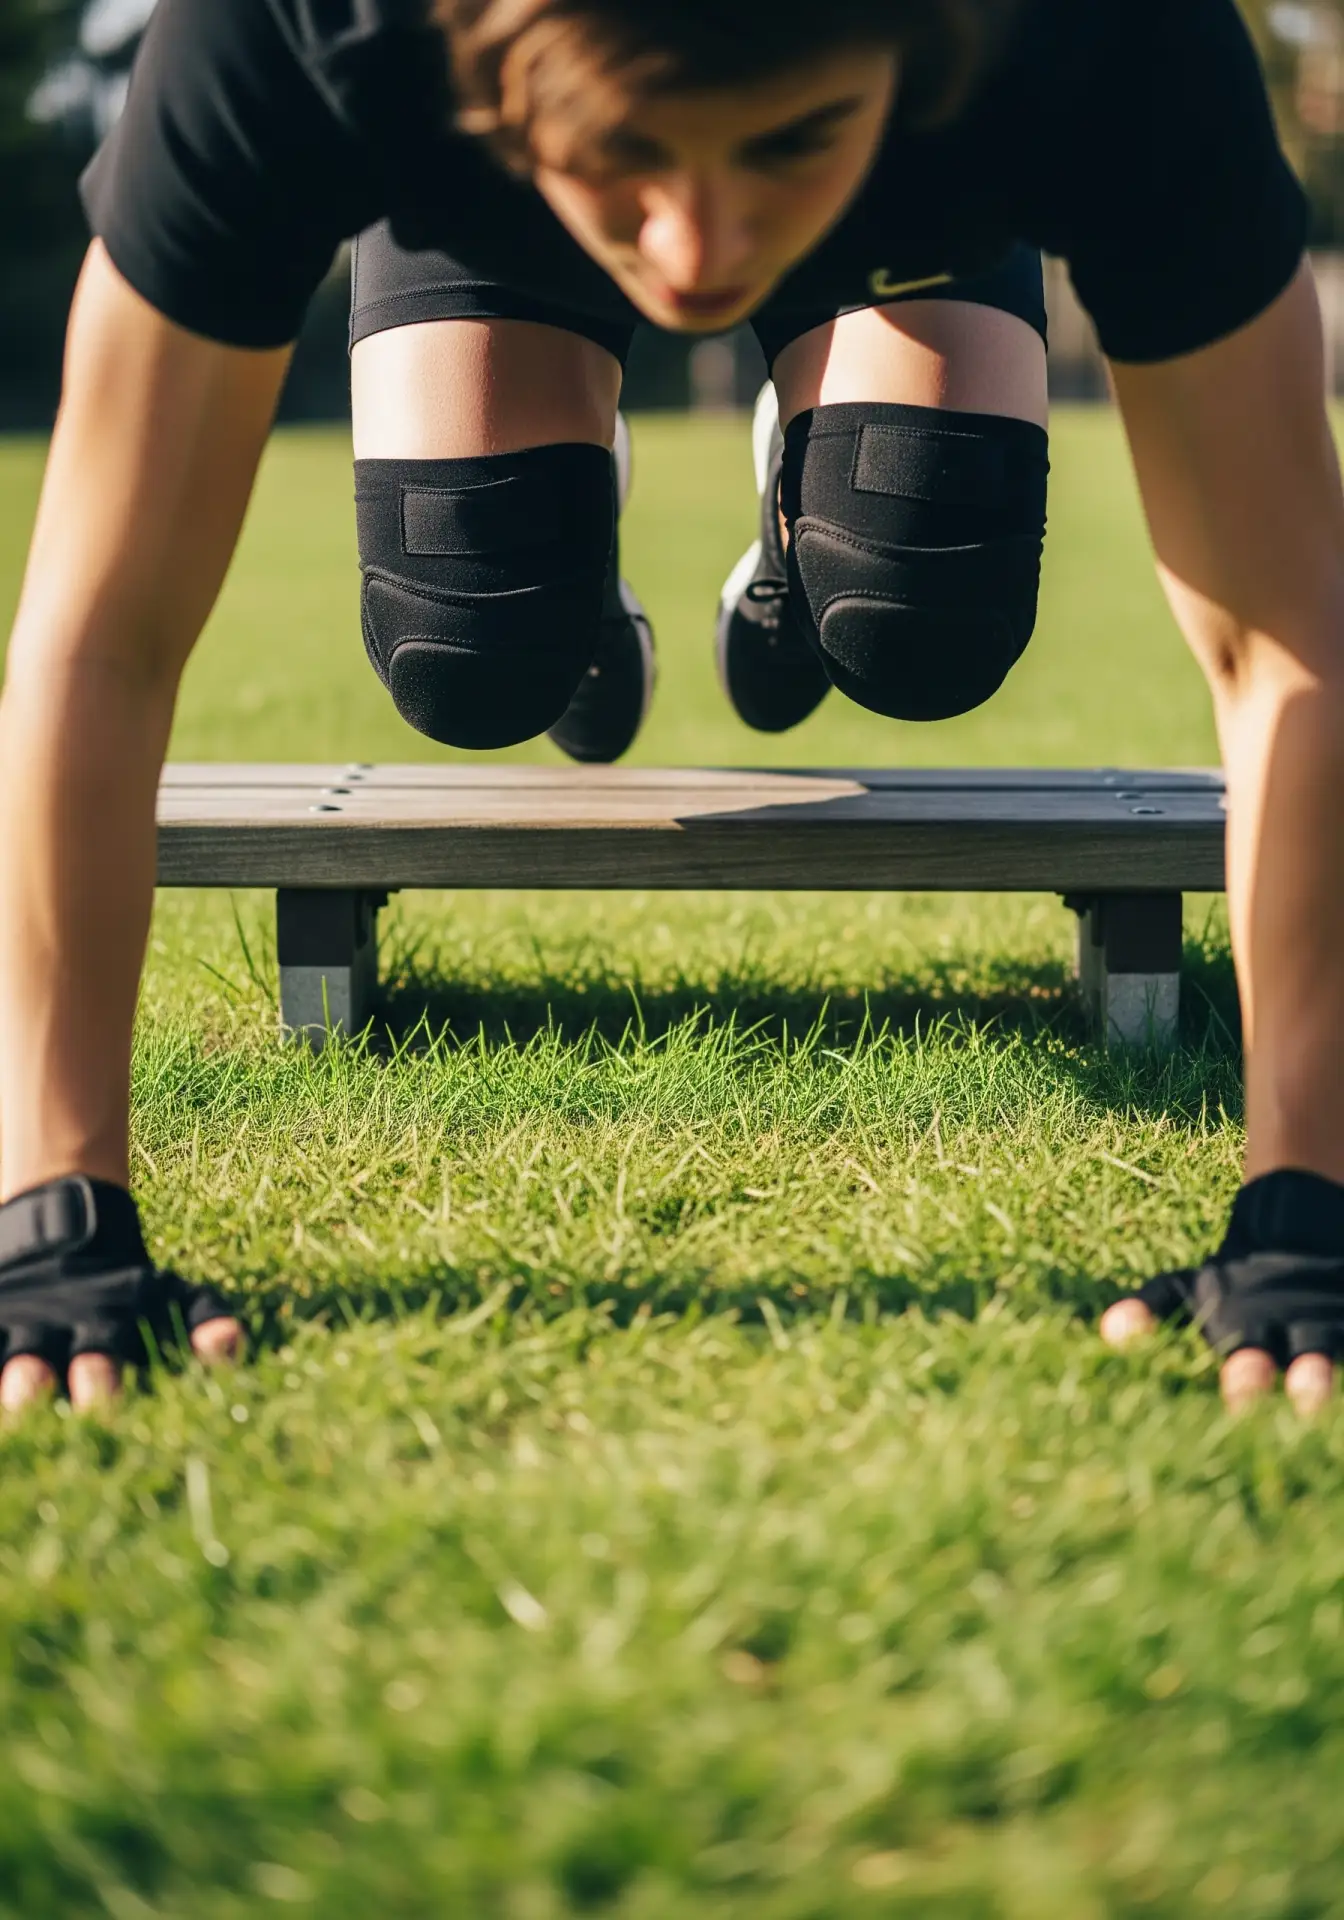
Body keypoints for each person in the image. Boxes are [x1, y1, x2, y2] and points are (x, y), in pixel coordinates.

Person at [2, 0, 1342, 1418]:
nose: (696, 250)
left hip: (911, 176)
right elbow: (102, 634)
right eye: (632, 153)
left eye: (786, 141)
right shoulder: (307, 29)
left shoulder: (1094, 37)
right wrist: (54, 1214)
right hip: (496, 181)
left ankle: (801, 475)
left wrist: (1310, 1204)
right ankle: (580, 535)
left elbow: (1287, 636)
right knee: (470, 644)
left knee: (920, 599)